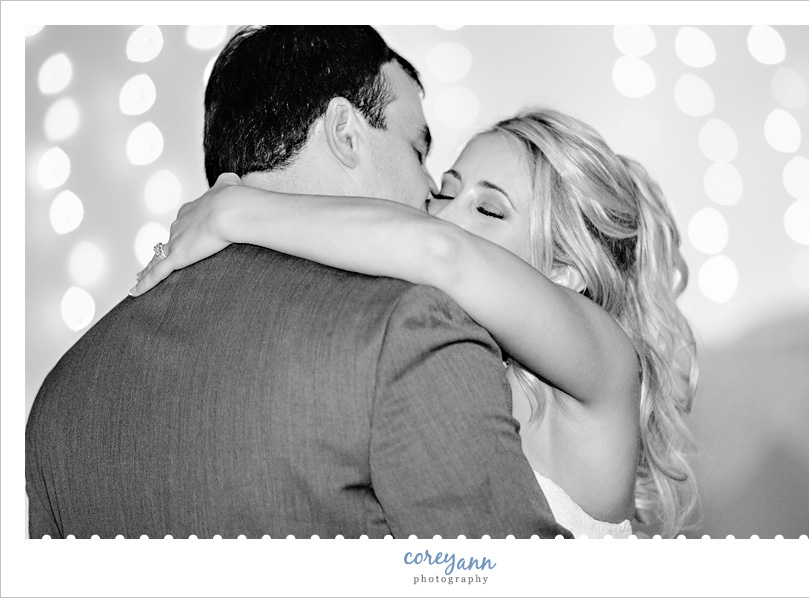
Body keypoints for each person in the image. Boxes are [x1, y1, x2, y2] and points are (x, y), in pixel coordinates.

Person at [25, 26, 571, 540]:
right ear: (345, 134)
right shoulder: (408, 325)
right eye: (417, 150)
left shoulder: (62, 397)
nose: (431, 191)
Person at [132, 108, 700, 538]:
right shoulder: (442, 354)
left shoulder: (605, 363)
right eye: (445, 192)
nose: (444, 216)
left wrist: (233, 210)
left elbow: (442, 254)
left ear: (565, 267)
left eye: (487, 209)